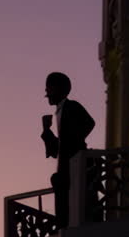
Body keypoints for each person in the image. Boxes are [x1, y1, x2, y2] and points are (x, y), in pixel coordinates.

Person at [40, 72, 95, 223]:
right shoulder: (59, 112)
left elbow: (89, 123)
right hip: (65, 168)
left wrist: (74, 143)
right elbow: (56, 150)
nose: (46, 92)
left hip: (74, 166)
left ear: (58, 89)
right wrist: (46, 130)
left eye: (49, 88)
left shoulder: (72, 106)